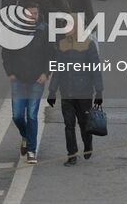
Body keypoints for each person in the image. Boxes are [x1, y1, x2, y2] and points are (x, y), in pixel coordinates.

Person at [1, 4, 49, 164]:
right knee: (17, 115)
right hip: (19, 79)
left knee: (32, 115)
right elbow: (6, 52)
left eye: (35, 13)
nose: (33, 16)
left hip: (37, 79)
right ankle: (26, 136)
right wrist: (10, 72)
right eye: (29, 13)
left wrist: (46, 73)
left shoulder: (44, 30)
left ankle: (31, 151)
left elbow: (52, 53)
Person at [45, 37, 103, 166]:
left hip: (84, 92)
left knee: (84, 123)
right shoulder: (62, 44)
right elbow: (58, 69)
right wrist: (52, 90)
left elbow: (95, 68)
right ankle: (72, 155)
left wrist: (99, 91)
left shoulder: (88, 44)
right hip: (66, 92)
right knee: (69, 125)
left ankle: (88, 145)